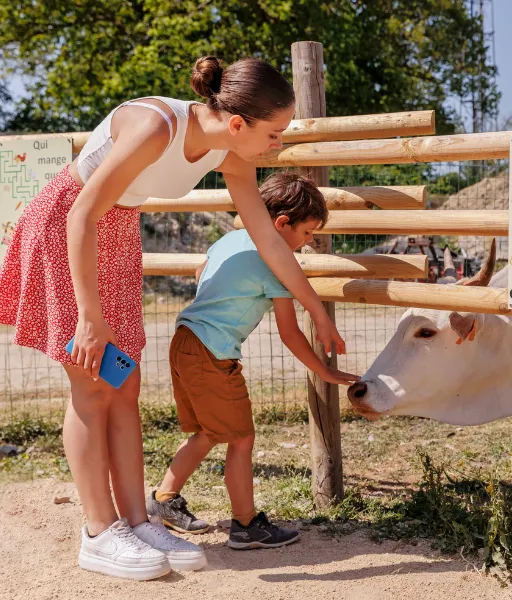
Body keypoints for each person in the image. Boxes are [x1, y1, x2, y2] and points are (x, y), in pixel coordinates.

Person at [0, 56, 346, 580]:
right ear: (237, 123)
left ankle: (137, 521)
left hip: (115, 235)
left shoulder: (232, 155)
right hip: (69, 230)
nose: (279, 145)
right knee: (91, 382)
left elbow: (270, 243)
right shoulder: (155, 126)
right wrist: (89, 316)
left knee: (125, 383)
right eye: (274, 133)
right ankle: (98, 532)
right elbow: (80, 213)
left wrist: (316, 310)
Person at [146, 172, 359, 550]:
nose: (308, 242)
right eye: (307, 233)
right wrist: (323, 369)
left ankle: (164, 499)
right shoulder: (273, 260)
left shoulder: (230, 240)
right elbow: (290, 333)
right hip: (212, 351)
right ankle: (245, 524)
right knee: (241, 439)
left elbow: (202, 271)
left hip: (185, 340)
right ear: (281, 224)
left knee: (211, 432)